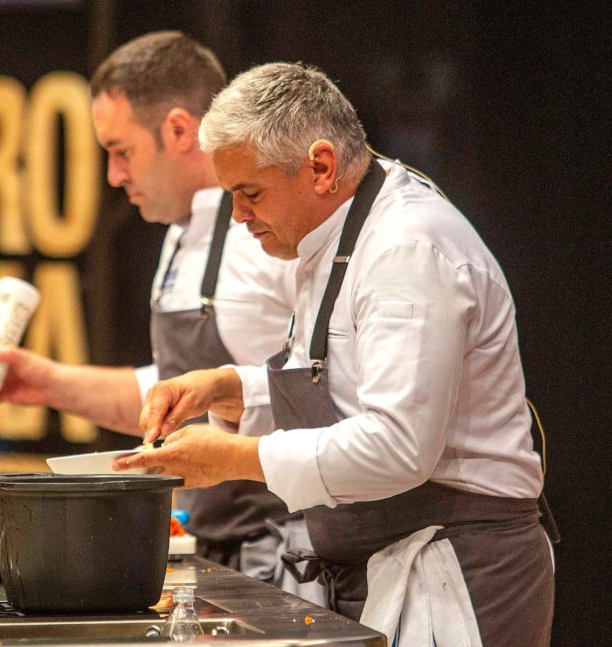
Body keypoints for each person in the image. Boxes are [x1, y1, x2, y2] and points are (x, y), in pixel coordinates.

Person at [113, 62, 554, 646]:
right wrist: (231, 386)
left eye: (250, 194)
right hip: (381, 560)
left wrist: (237, 457)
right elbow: (342, 381)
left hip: (459, 572)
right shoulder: (332, 230)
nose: (239, 216)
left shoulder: (407, 247)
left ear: (320, 167)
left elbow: (397, 446)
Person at [0, 33, 320, 598]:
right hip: (211, 538)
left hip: (285, 546)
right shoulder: (178, 233)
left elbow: (319, 391)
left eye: (122, 151)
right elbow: (172, 395)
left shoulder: (271, 233)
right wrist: (44, 383)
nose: (114, 176)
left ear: (179, 130)